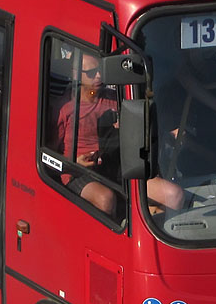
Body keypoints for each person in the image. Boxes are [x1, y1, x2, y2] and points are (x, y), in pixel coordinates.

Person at [57, 53, 185, 215]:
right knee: (105, 198)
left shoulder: (114, 98)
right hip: (77, 171)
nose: (98, 76)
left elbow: (140, 122)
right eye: (90, 72)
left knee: (173, 195)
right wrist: (74, 162)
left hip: (119, 165)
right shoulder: (63, 108)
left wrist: (168, 133)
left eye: (100, 71)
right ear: (75, 74)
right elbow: (48, 154)